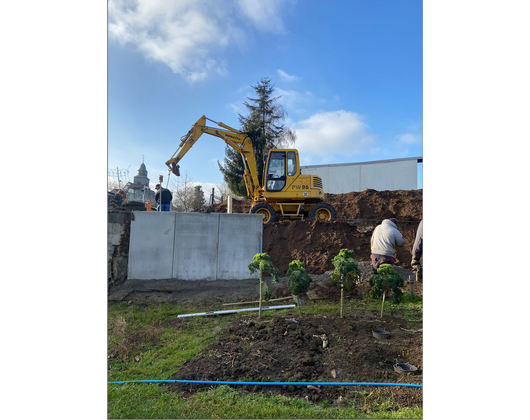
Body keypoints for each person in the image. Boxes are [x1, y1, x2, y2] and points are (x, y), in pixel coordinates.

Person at [370, 218, 405, 297]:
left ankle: (376, 293)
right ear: (395, 224)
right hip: (386, 256)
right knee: (387, 276)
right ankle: (385, 295)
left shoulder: (378, 227)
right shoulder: (394, 230)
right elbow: (401, 243)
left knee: (376, 274)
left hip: (374, 255)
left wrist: (373, 251)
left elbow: (372, 239)